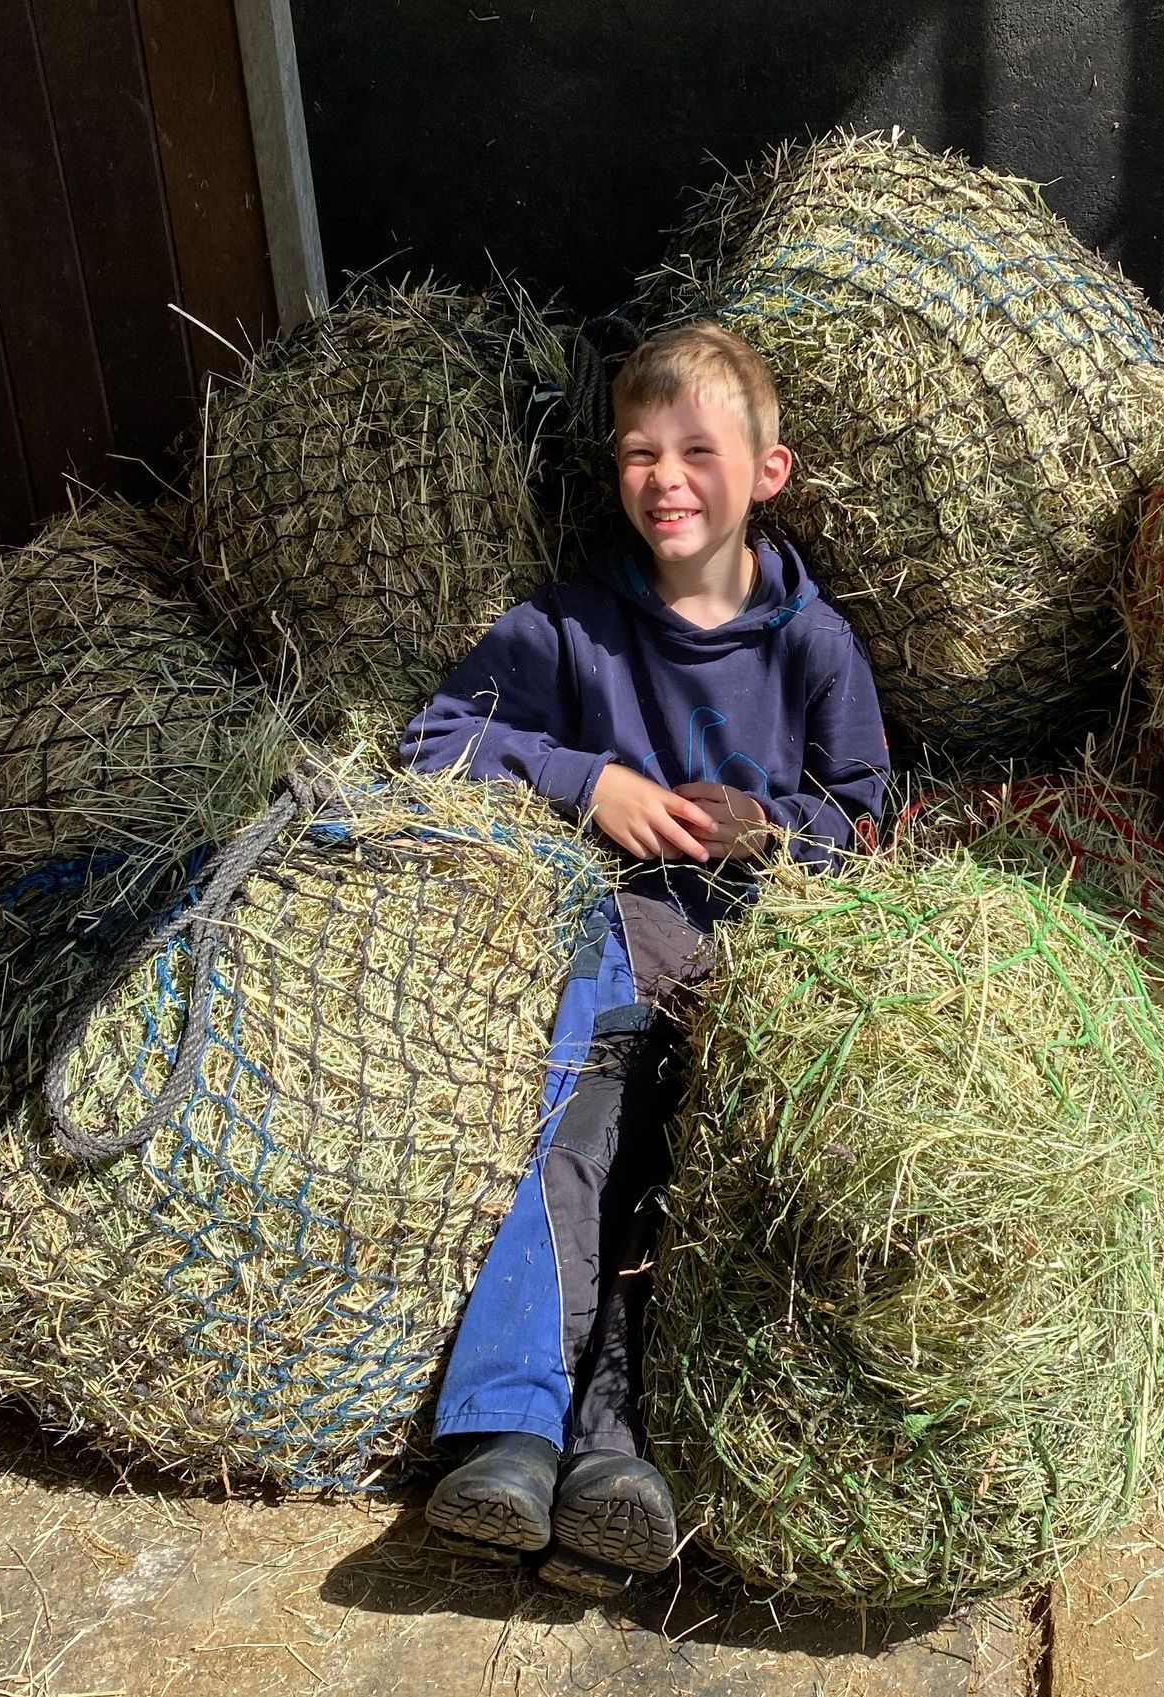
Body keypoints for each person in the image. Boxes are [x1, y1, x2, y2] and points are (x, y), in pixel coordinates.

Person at [400, 321, 889, 1596]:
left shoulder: (814, 646)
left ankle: (619, 1454)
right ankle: (508, 1430)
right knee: (581, 1134)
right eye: (638, 452)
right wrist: (589, 780)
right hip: (616, 937)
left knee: (693, 1169)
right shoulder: (567, 629)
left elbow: (865, 820)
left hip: (759, 961)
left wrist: (770, 826)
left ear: (767, 471)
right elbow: (435, 740)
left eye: (697, 451)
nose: (666, 478)